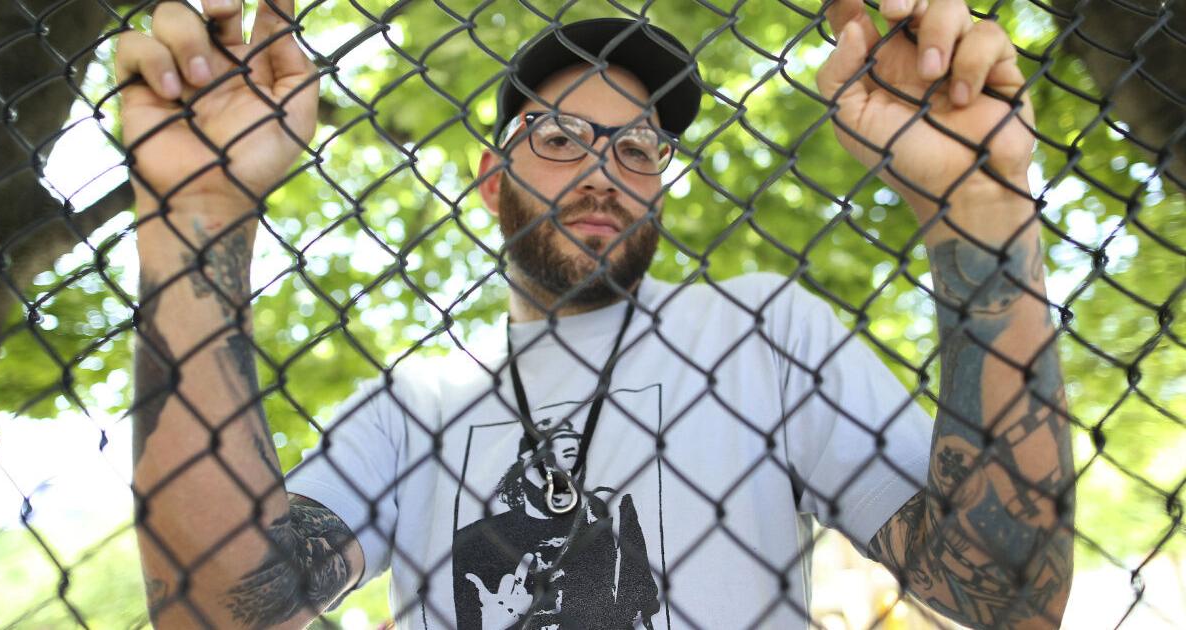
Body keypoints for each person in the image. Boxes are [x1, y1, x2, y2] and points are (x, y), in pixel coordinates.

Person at [117, 0, 1074, 628]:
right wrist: (196, 217)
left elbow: (1003, 596)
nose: (604, 173)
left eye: (638, 150)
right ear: (491, 179)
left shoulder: (765, 331)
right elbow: (223, 609)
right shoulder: (414, 402)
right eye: (560, 137)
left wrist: (980, 209)